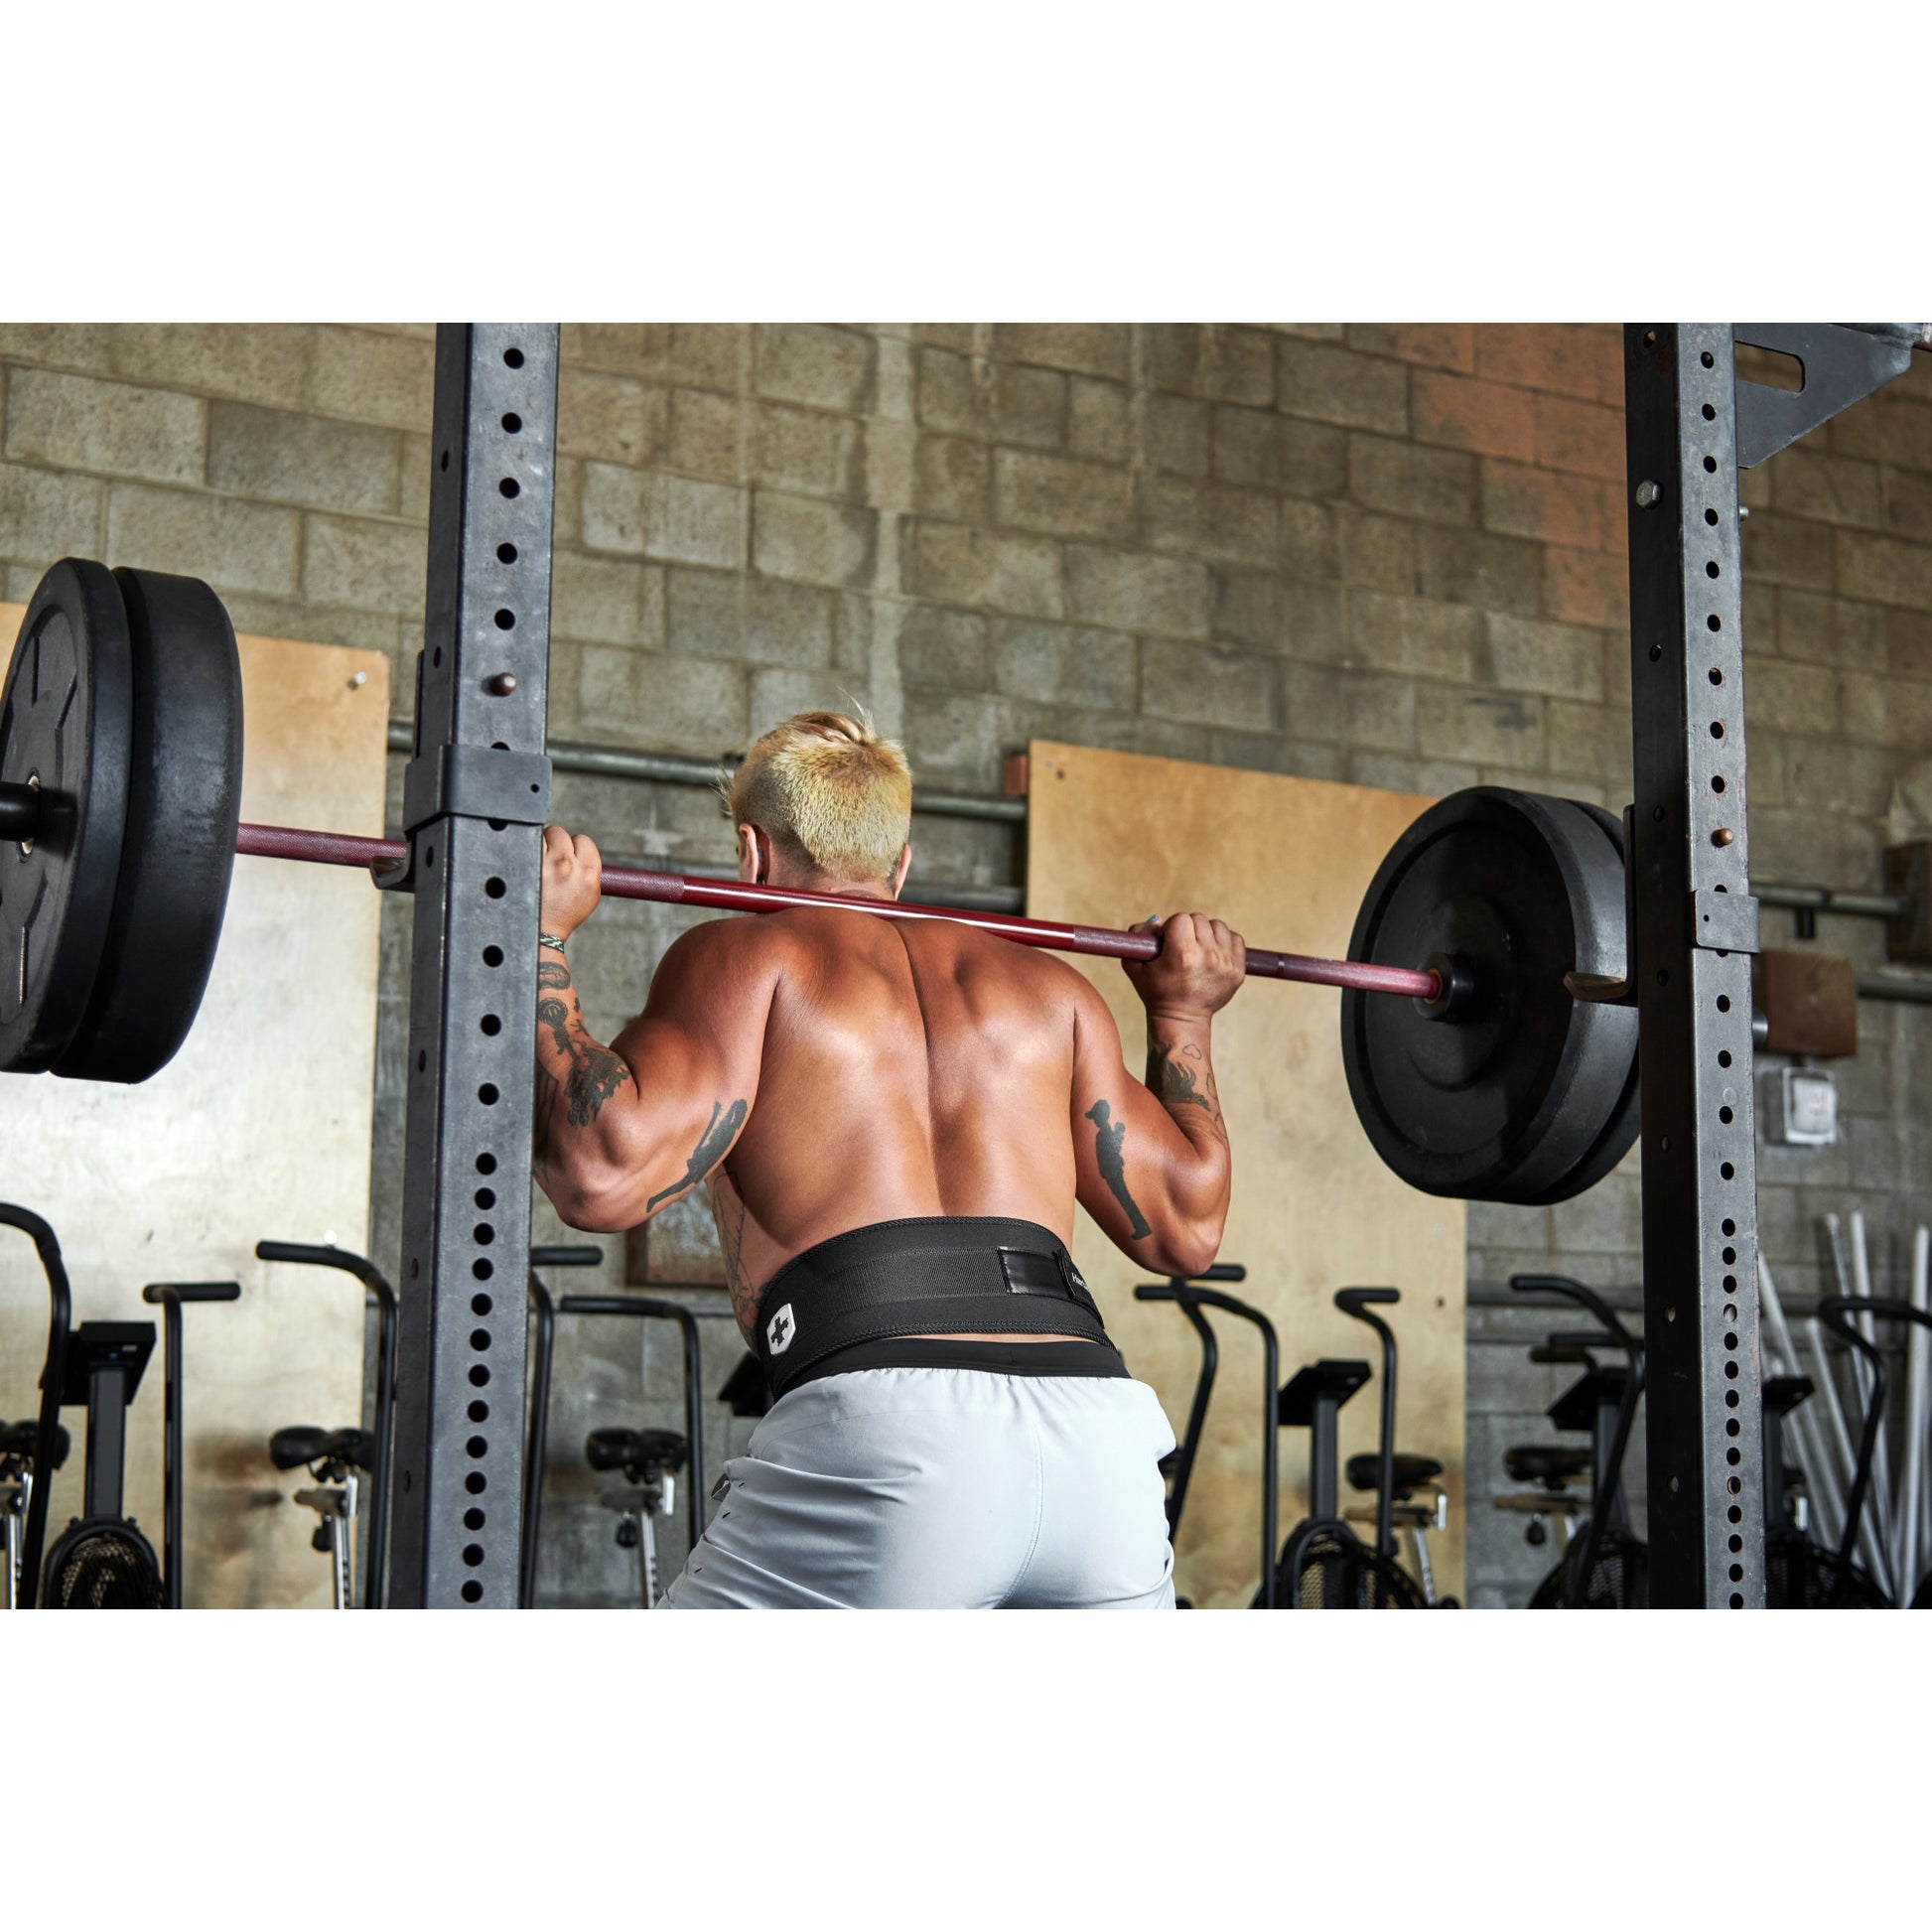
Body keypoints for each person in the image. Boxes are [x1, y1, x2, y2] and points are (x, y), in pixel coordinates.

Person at [532, 709, 1246, 1608]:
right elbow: (1189, 1229)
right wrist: (1184, 1016)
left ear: (750, 854)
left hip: (889, 1436)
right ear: (900, 864)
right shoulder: (1054, 992)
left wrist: (541, 940)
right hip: (1102, 1447)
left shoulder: (752, 956)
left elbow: (598, 1173)